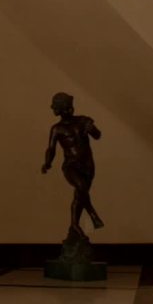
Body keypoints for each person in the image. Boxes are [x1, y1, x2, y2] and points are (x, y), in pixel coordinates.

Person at [42, 92, 104, 238]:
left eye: (70, 106)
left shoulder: (83, 121)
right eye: (66, 107)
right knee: (81, 187)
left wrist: (92, 129)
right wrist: (47, 163)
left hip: (88, 166)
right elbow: (51, 149)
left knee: (80, 196)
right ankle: (93, 214)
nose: (70, 109)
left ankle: (74, 225)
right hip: (70, 165)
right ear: (61, 109)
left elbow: (97, 135)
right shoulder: (57, 129)